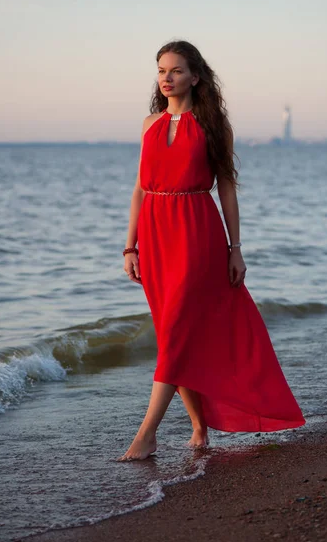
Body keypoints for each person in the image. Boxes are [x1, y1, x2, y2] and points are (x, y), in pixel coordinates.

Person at [117, 40, 305, 461]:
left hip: (197, 231)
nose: (167, 78)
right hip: (155, 234)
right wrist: (130, 246)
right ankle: (200, 428)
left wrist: (235, 248)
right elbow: (140, 189)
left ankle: (146, 434)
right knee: (173, 332)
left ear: (195, 77)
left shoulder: (214, 126)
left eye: (176, 71)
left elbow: (227, 189)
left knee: (180, 328)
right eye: (162, 70)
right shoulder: (149, 123)